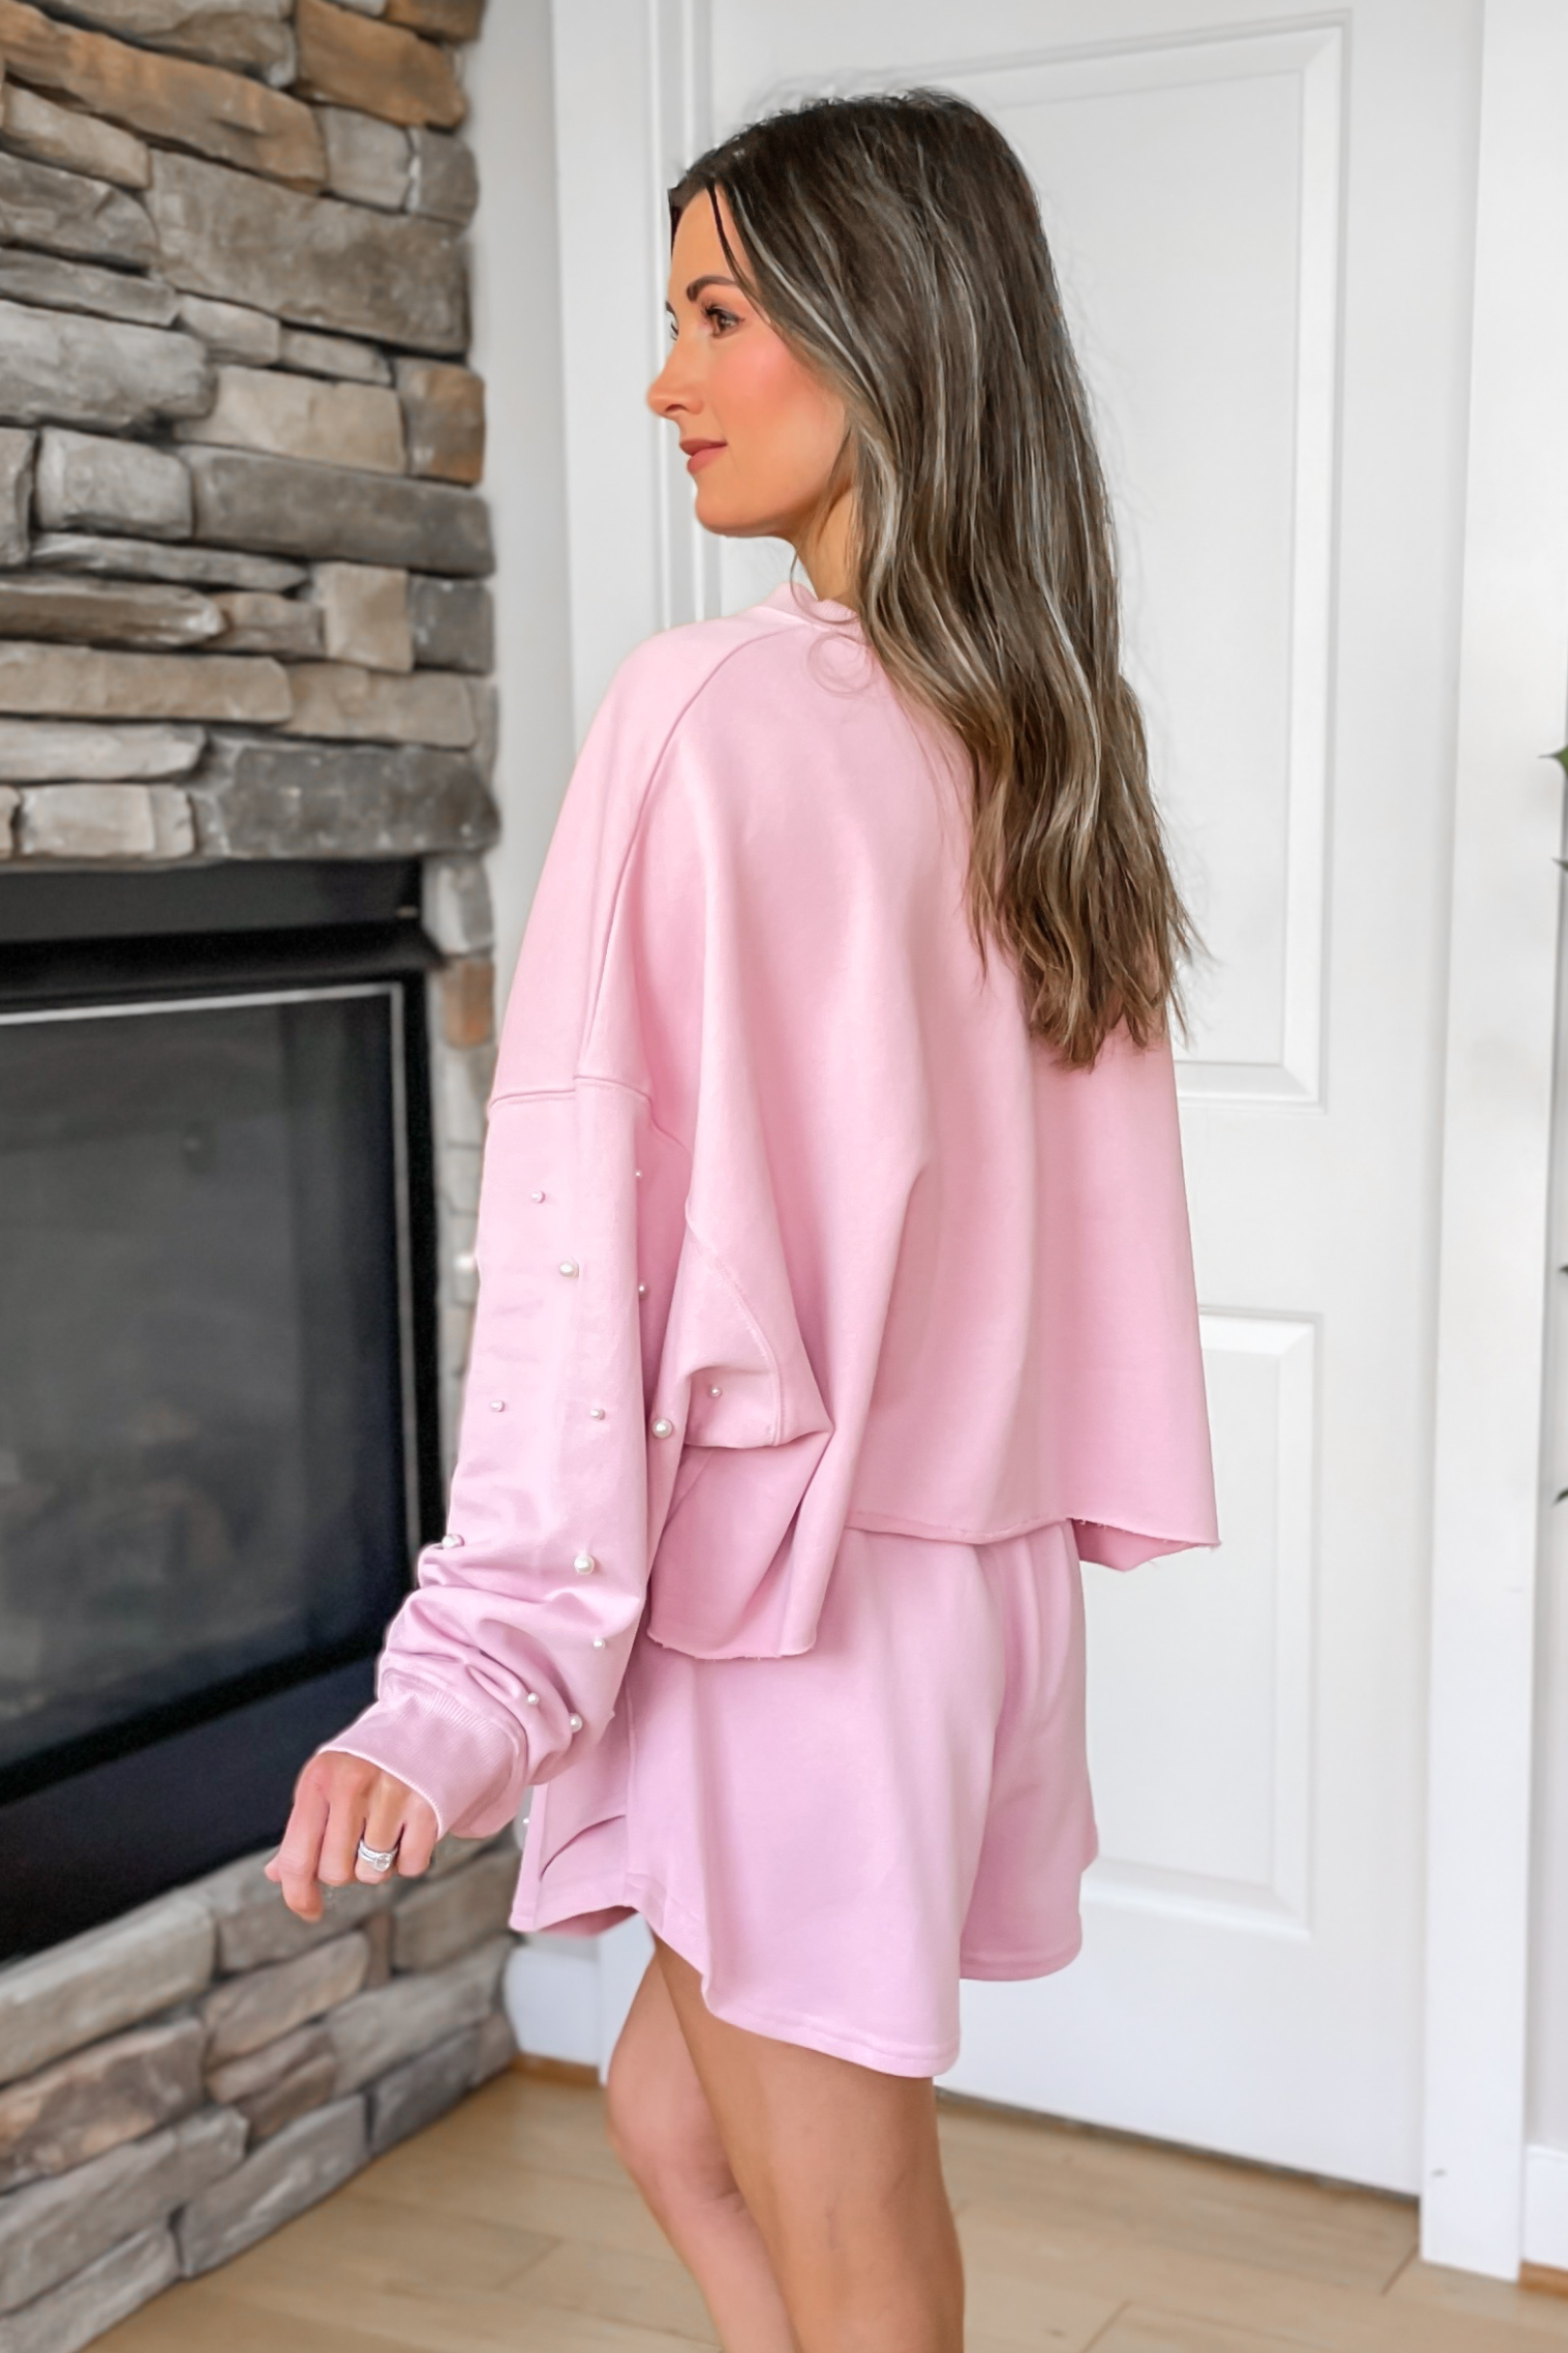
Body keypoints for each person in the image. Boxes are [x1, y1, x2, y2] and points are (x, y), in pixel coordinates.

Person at [266, 88, 1219, 2353]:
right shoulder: (1048, 728)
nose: (663, 380)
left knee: (846, 2222)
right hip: (948, 1596)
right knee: (679, 2120)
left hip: (786, 1616)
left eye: (714, 316)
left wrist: (471, 1672)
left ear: (879, 334)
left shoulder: (704, 711)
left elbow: (578, 1223)